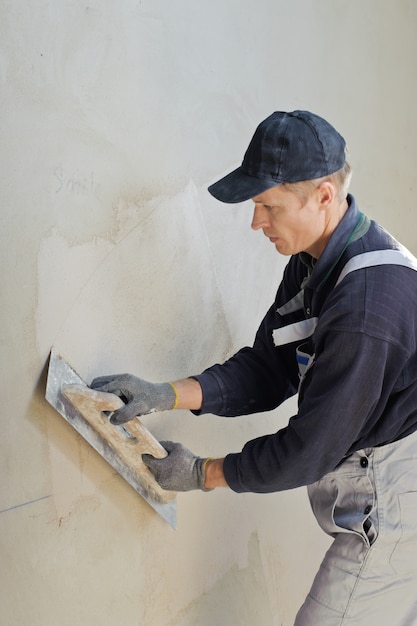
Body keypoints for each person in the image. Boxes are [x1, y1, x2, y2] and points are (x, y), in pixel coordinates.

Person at [91, 111, 417, 625]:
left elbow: (308, 450)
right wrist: (166, 393)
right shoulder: (316, 261)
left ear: (325, 196)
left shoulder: (367, 305)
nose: (256, 221)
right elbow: (271, 366)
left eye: (269, 206)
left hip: (402, 500)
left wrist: (202, 474)